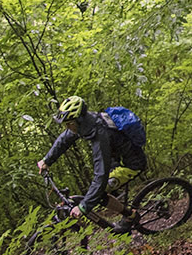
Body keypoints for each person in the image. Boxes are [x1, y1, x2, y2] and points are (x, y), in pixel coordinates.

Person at [37, 95, 148, 232]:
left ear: (79, 120)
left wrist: (84, 207)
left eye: (69, 123)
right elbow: (65, 139)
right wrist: (46, 160)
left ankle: (131, 216)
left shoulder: (100, 134)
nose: (67, 127)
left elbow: (101, 175)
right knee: (97, 191)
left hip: (132, 164)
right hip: (118, 158)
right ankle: (124, 212)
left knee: (99, 193)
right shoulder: (86, 124)